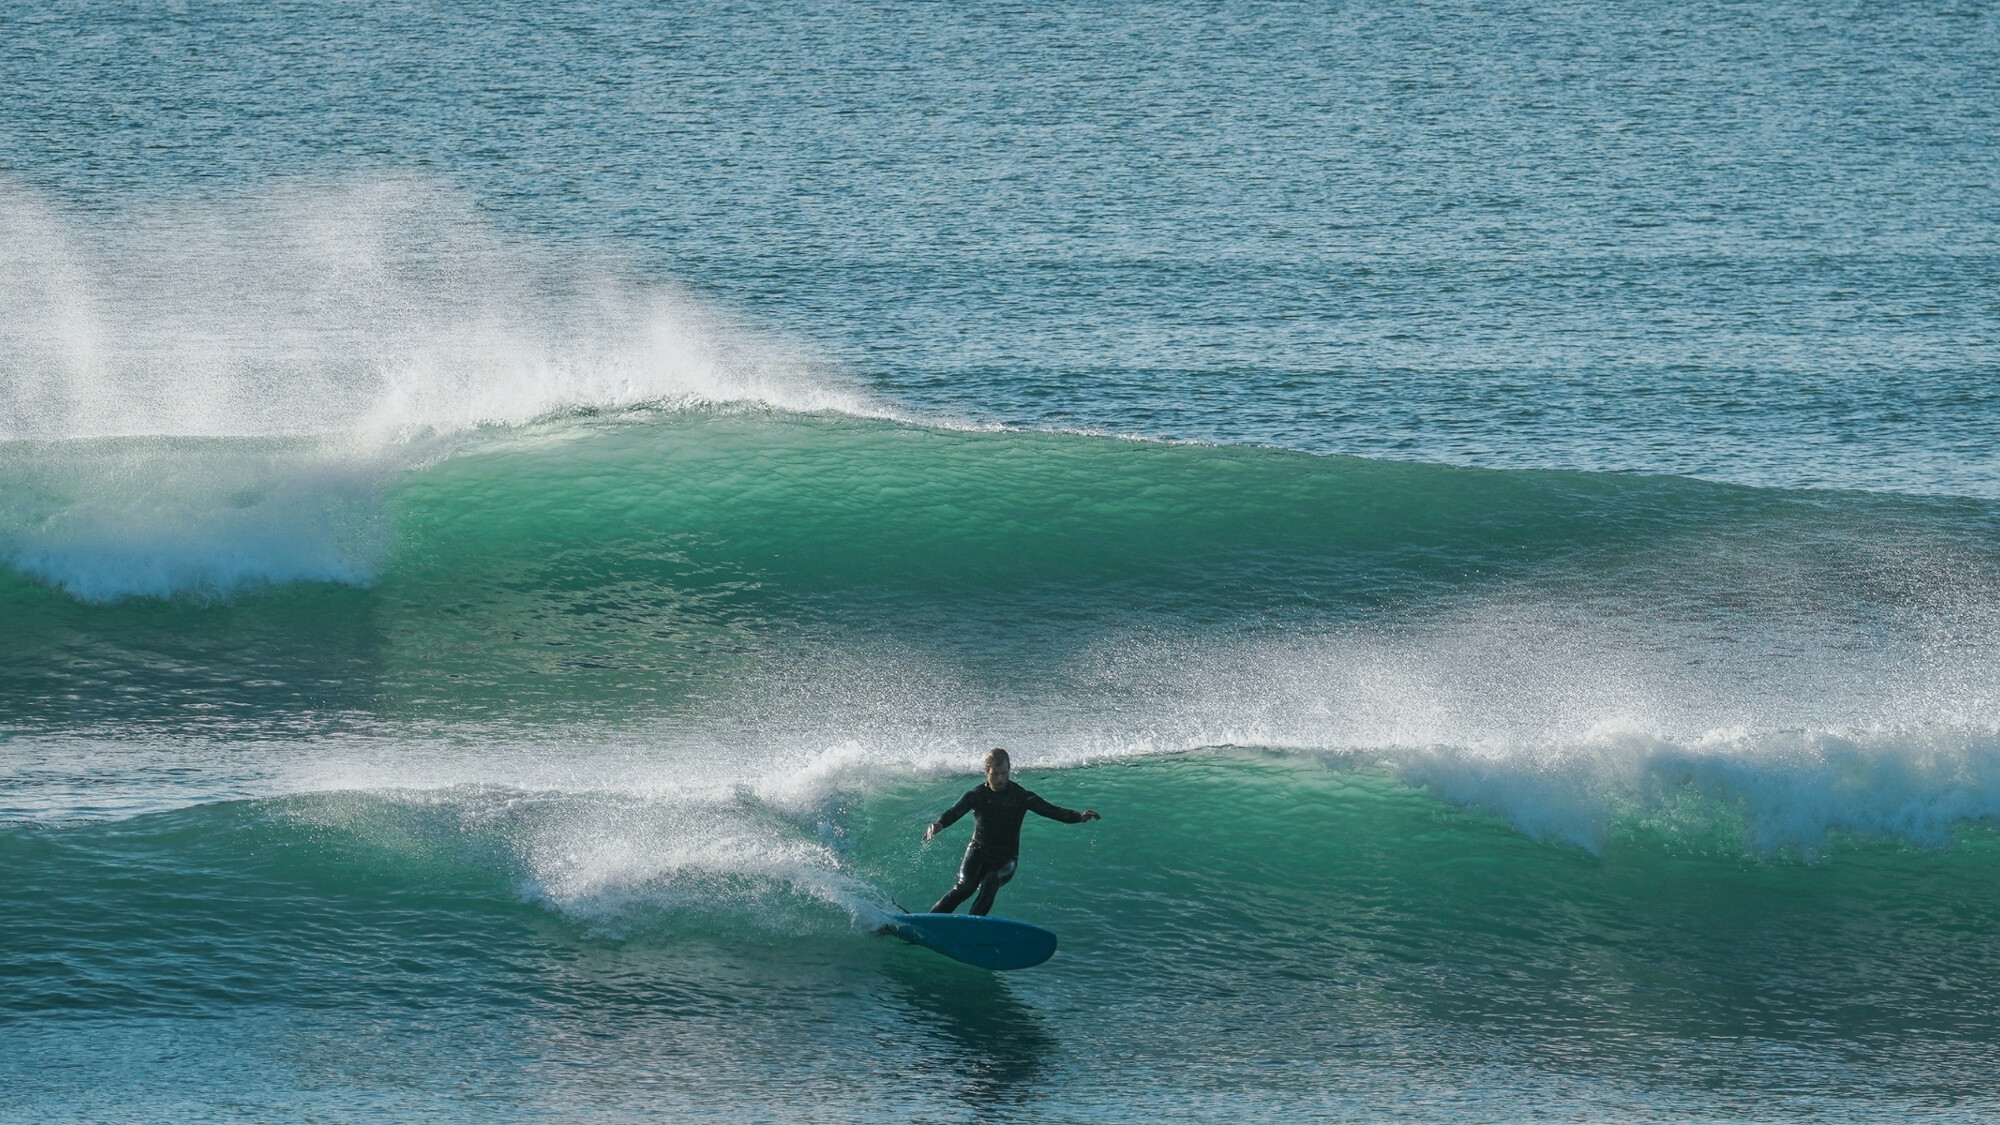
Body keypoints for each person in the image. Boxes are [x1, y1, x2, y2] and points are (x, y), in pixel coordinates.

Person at [924, 747, 1100, 916]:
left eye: (1004, 773)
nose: (1000, 779)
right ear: (987, 770)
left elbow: (1052, 811)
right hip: (978, 851)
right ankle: (927, 922)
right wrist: (938, 824)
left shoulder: (1020, 796)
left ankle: (971, 927)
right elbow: (955, 811)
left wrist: (1079, 817)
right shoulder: (976, 794)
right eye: (995, 773)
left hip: (1006, 858)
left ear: (1009, 770)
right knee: (964, 887)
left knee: (991, 881)